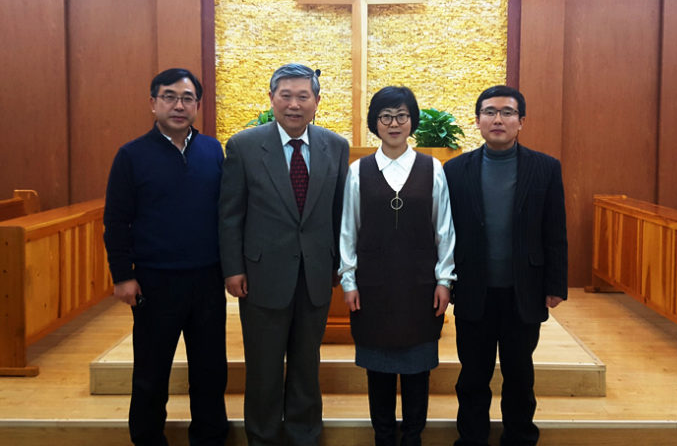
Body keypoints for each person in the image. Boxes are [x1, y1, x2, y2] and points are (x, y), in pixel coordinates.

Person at [219, 63, 350, 446]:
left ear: (317, 101)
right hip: (262, 275)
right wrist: (233, 268)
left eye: (303, 96)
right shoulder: (243, 146)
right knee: (264, 366)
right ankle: (262, 437)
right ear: (271, 98)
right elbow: (230, 214)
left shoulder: (335, 146)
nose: (294, 104)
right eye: (286, 95)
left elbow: (340, 212)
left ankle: (304, 435)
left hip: (316, 274)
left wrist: (341, 265)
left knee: (307, 364)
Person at [103, 68, 229, 446]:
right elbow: (116, 220)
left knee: (210, 370)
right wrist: (122, 275)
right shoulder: (132, 155)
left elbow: (226, 213)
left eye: (187, 98)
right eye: (170, 97)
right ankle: (147, 438)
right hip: (155, 281)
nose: (179, 105)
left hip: (207, 279)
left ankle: (209, 438)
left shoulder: (213, 151)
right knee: (151, 372)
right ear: (153, 103)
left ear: (198, 105)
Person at [443, 85, 568, 446]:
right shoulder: (455, 170)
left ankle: (520, 437)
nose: (498, 119)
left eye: (507, 112)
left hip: (523, 291)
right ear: (478, 120)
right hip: (473, 289)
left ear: (521, 121)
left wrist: (556, 284)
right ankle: (472, 439)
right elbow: (444, 233)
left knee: (519, 374)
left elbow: (555, 230)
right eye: (490, 112)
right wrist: (444, 282)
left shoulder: (545, 168)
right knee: (472, 376)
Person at [339, 86, 456, 446]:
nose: (394, 123)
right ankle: (384, 437)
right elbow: (348, 230)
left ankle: (413, 437)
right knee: (379, 371)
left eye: (401, 115)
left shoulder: (432, 169)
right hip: (373, 286)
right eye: (386, 116)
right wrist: (348, 281)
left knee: (418, 369)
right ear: (375, 122)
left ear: (412, 121)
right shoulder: (358, 171)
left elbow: (444, 229)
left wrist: (445, 280)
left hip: (419, 286)